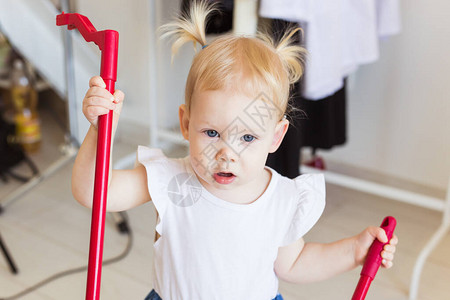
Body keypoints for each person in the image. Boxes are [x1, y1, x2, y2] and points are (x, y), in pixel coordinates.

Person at [72, 2, 398, 299]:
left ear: (276, 136)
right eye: (212, 132)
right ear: (185, 123)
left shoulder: (282, 199)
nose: (227, 153)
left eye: (247, 138)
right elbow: (93, 192)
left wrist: (354, 251)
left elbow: (294, 263)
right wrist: (100, 132)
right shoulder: (172, 180)